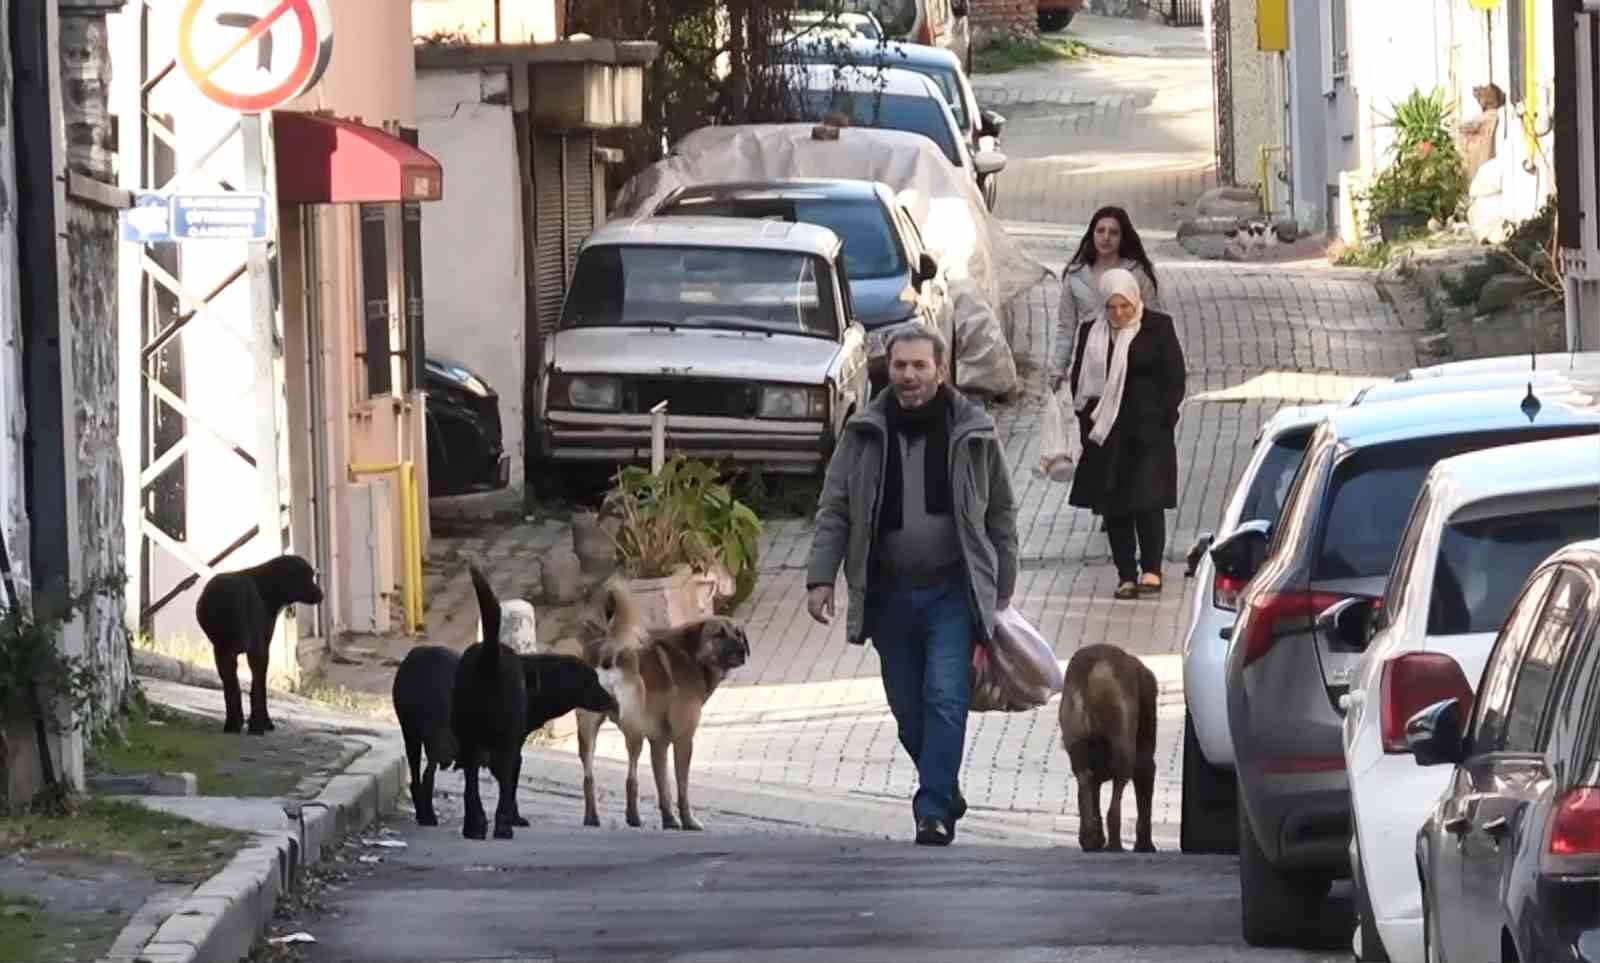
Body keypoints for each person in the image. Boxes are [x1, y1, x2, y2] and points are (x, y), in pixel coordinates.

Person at [805, 325, 1018, 847]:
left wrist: (1002, 582)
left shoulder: (974, 431)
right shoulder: (864, 433)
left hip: (952, 592)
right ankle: (943, 784)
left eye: (920, 365)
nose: (909, 375)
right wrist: (820, 577)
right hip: (888, 594)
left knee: (945, 695)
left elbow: (1000, 511)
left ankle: (932, 810)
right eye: (900, 365)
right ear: (889, 370)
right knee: (907, 709)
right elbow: (834, 508)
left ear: (940, 371)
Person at [1068, 268, 1186, 600]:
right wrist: (1087, 425)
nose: (1119, 314)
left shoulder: (1158, 327)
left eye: (1125, 307)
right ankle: (1125, 575)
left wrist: (1164, 417)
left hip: (1148, 434)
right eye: (1112, 307)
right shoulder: (1092, 332)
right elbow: (1080, 381)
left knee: (1148, 501)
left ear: (1135, 301)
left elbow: (1174, 376)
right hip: (1107, 433)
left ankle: (1152, 569)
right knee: (1115, 505)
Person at [1051, 206, 1162, 391]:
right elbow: (1066, 327)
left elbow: (1154, 320)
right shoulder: (1075, 275)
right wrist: (1058, 368)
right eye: (1100, 231)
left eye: (1113, 232)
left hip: (1129, 361)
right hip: (1088, 363)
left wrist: (1155, 362)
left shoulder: (1136, 274)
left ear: (1122, 237)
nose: (1106, 237)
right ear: (1092, 234)